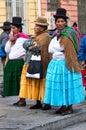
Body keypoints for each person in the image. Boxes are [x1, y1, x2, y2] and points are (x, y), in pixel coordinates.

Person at [43, 8, 85, 115]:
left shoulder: (68, 34)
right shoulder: (55, 34)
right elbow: (51, 49)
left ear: (66, 22)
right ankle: (63, 105)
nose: (60, 23)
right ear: (55, 22)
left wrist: (72, 65)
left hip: (66, 63)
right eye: (58, 21)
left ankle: (69, 107)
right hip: (56, 63)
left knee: (67, 85)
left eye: (62, 21)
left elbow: (70, 51)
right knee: (60, 86)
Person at [13, 16, 51, 110]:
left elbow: (37, 49)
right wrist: (31, 45)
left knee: (42, 83)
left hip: (41, 63)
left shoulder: (45, 37)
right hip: (33, 62)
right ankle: (38, 102)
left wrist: (30, 46)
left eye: (37, 26)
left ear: (42, 28)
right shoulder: (36, 36)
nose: (35, 27)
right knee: (35, 83)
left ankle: (46, 103)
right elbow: (25, 44)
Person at [3, 17, 29, 96]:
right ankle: (19, 98)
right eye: (12, 28)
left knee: (19, 81)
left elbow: (28, 49)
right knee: (11, 81)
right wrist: (11, 42)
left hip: (19, 62)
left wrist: (25, 57)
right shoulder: (12, 38)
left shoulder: (24, 38)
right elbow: (7, 50)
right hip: (11, 62)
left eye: (14, 28)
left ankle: (22, 99)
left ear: (19, 28)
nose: (12, 30)